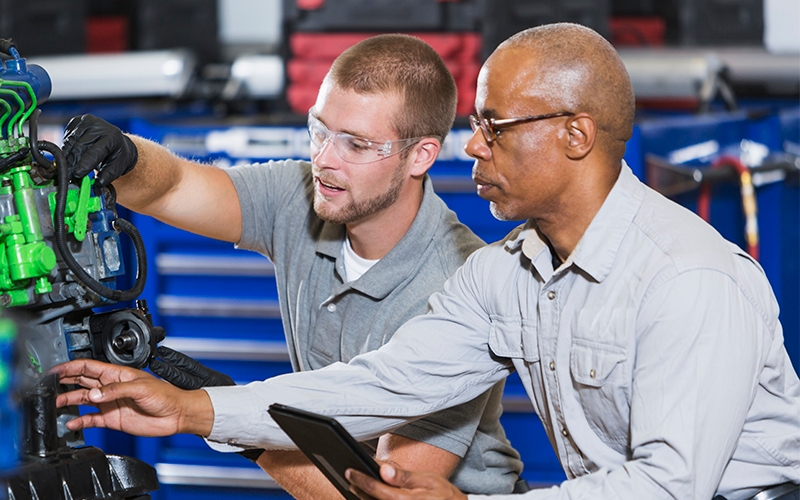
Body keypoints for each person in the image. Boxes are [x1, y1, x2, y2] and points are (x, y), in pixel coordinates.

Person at [53, 23, 800, 500]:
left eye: (494, 127)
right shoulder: (507, 275)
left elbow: (671, 487)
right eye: (474, 124)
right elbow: (388, 382)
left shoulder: (689, 277)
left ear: (576, 135)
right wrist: (197, 406)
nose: (472, 146)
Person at [58, 34, 525, 498]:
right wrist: (129, 159)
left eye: (356, 146)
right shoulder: (301, 195)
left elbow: (375, 494)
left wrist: (222, 414)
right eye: (319, 129)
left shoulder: (456, 285)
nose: (323, 160)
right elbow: (171, 186)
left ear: (420, 155)